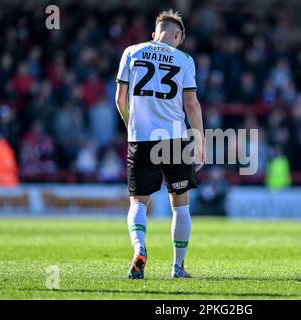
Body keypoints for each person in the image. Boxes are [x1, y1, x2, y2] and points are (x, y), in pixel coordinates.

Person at [115, 9, 205, 279]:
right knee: (180, 205)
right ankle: (178, 267)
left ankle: (139, 250)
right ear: (177, 36)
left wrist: (132, 124)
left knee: (138, 203)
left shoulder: (131, 51)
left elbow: (120, 99)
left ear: (155, 34)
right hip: (174, 139)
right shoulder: (184, 59)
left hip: (140, 139)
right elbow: (191, 103)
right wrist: (199, 141)